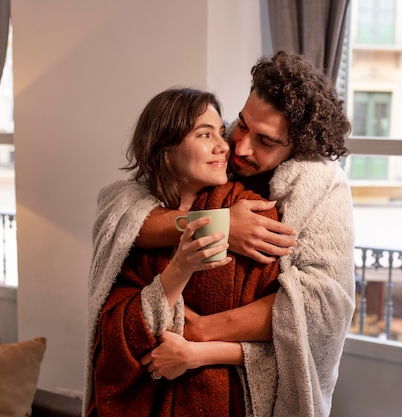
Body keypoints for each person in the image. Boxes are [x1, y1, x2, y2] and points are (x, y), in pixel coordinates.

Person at [118, 51, 356, 416]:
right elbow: (124, 223)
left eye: (266, 141)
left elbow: (322, 309)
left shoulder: (320, 189)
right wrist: (221, 224)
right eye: (242, 124)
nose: (240, 148)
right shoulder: (211, 157)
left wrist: (202, 334)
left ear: (299, 147)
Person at [84, 88, 282, 416]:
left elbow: (285, 340)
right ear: (165, 149)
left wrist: (198, 351)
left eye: (221, 132)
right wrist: (180, 268)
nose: (224, 146)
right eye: (205, 135)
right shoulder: (132, 227)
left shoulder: (254, 216)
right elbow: (112, 342)